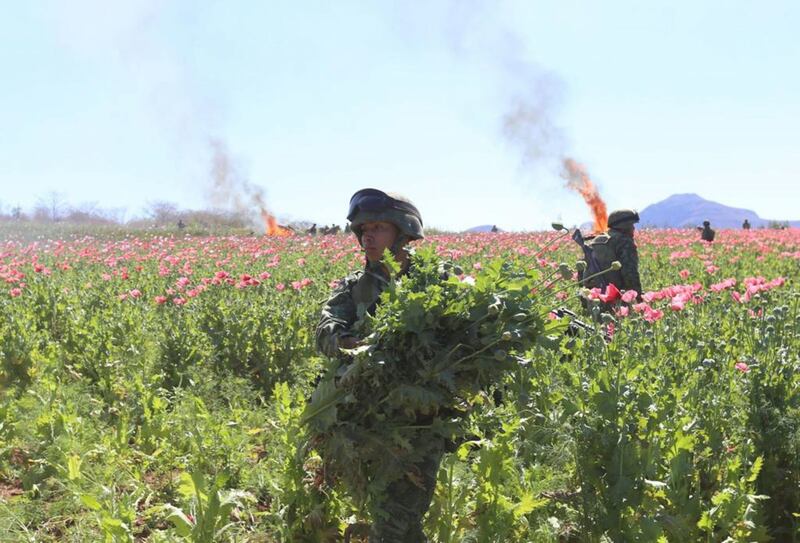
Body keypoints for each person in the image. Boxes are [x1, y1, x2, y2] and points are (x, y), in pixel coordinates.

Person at [315, 188, 438, 541]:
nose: (368, 235)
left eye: (379, 227)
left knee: (396, 519)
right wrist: (346, 343)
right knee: (391, 514)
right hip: (367, 416)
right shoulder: (354, 287)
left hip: (419, 421)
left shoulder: (436, 281)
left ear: (404, 232)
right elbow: (325, 329)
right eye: (363, 229)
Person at [583, 209, 643, 300]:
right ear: (624, 226)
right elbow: (630, 273)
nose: (634, 228)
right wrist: (638, 298)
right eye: (631, 225)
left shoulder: (596, 240)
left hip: (590, 297)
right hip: (615, 300)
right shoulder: (624, 241)